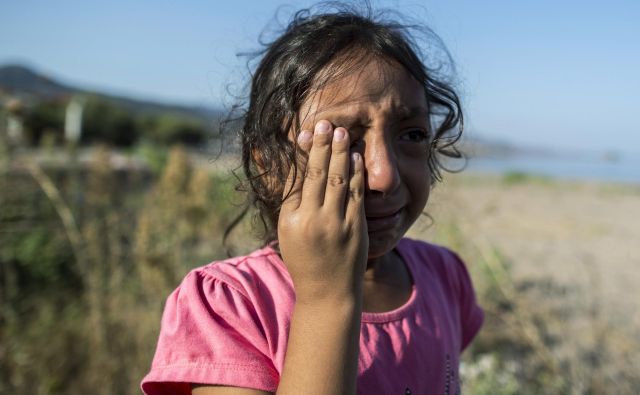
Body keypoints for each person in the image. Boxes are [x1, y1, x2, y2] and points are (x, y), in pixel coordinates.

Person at [142, 3, 483, 395]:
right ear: (268, 163)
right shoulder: (230, 308)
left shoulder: (444, 277)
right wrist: (326, 299)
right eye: (342, 141)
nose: (385, 175)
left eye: (412, 135)